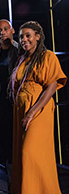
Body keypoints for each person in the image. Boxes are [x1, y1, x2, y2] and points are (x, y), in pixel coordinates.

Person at [9, 21, 67, 194]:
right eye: (21, 36)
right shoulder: (22, 59)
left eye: (28, 35)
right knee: (22, 155)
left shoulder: (48, 56)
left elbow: (51, 86)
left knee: (30, 152)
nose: (24, 39)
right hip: (20, 108)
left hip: (38, 108)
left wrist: (32, 112)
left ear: (38, 37)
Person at [0, 19, 18, 184]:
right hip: (1, 106)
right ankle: (10, 182)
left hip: (18, 103)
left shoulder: (21, 51)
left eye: (5, 29)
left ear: (12, 31)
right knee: (5, 144)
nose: (2, 32)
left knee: (19, 144)